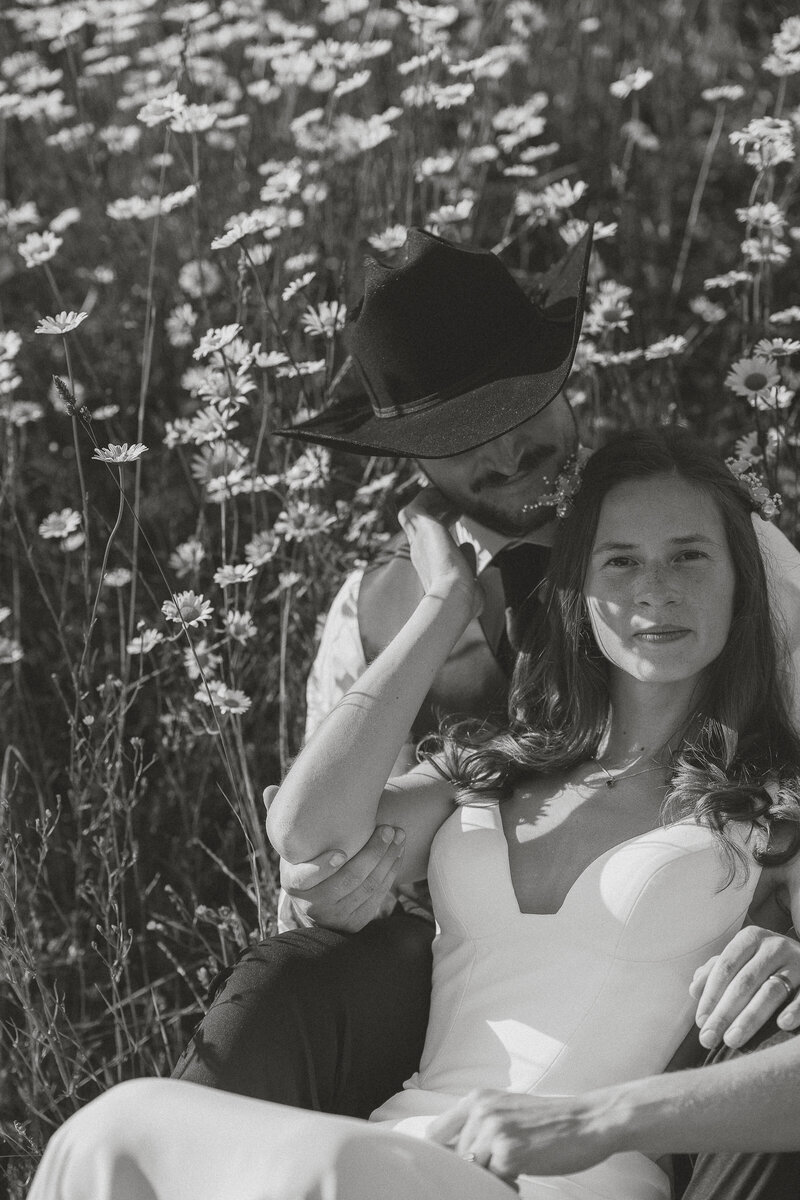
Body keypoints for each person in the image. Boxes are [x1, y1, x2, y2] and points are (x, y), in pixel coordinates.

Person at [168, 228, 800, 1197]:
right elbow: (312, 862)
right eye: (462, 437)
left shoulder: (707, 539)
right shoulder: (371, 613)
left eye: (521, 409)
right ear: (411, 459)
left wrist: (787, 924)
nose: (507, 452)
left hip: (669, 1001)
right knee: (269, 991)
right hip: (435, 989)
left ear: (563, 384)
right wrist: (440, 610)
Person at [27, 429, 800, 1200]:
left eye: (689, 556)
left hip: (565, 1179)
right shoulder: (498, 766)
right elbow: (306, 832)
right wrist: (444, 602)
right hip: (401, 1150)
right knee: (111, 1129)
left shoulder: (776, 809)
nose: (653, 589)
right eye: (621, 559)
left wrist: (599, 1121)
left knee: (332, 1172)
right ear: (581, 589)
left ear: (741, 580)